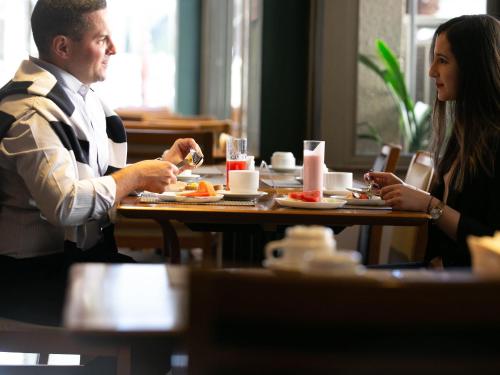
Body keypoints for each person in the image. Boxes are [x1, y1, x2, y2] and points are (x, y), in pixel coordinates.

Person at [0, 0, 202, 325]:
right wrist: (135, 177)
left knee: (175, 295)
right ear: (62, 47)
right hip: (26, 278)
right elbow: (65, 204)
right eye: (101, 40)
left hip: (75, 263)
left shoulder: (79, 98)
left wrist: (161, 166)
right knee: (167, 308)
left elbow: (90, 181)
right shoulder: (33, 112)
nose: (115, 49)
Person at [366, 14, 500, 268]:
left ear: (474, 67)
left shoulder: (495, 143)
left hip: (466, 291)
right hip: (438, 275)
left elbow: (493, 242)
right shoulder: (462, 136)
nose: (431, 71)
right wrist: (409, 192)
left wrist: (430, 204)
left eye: (443, 60)